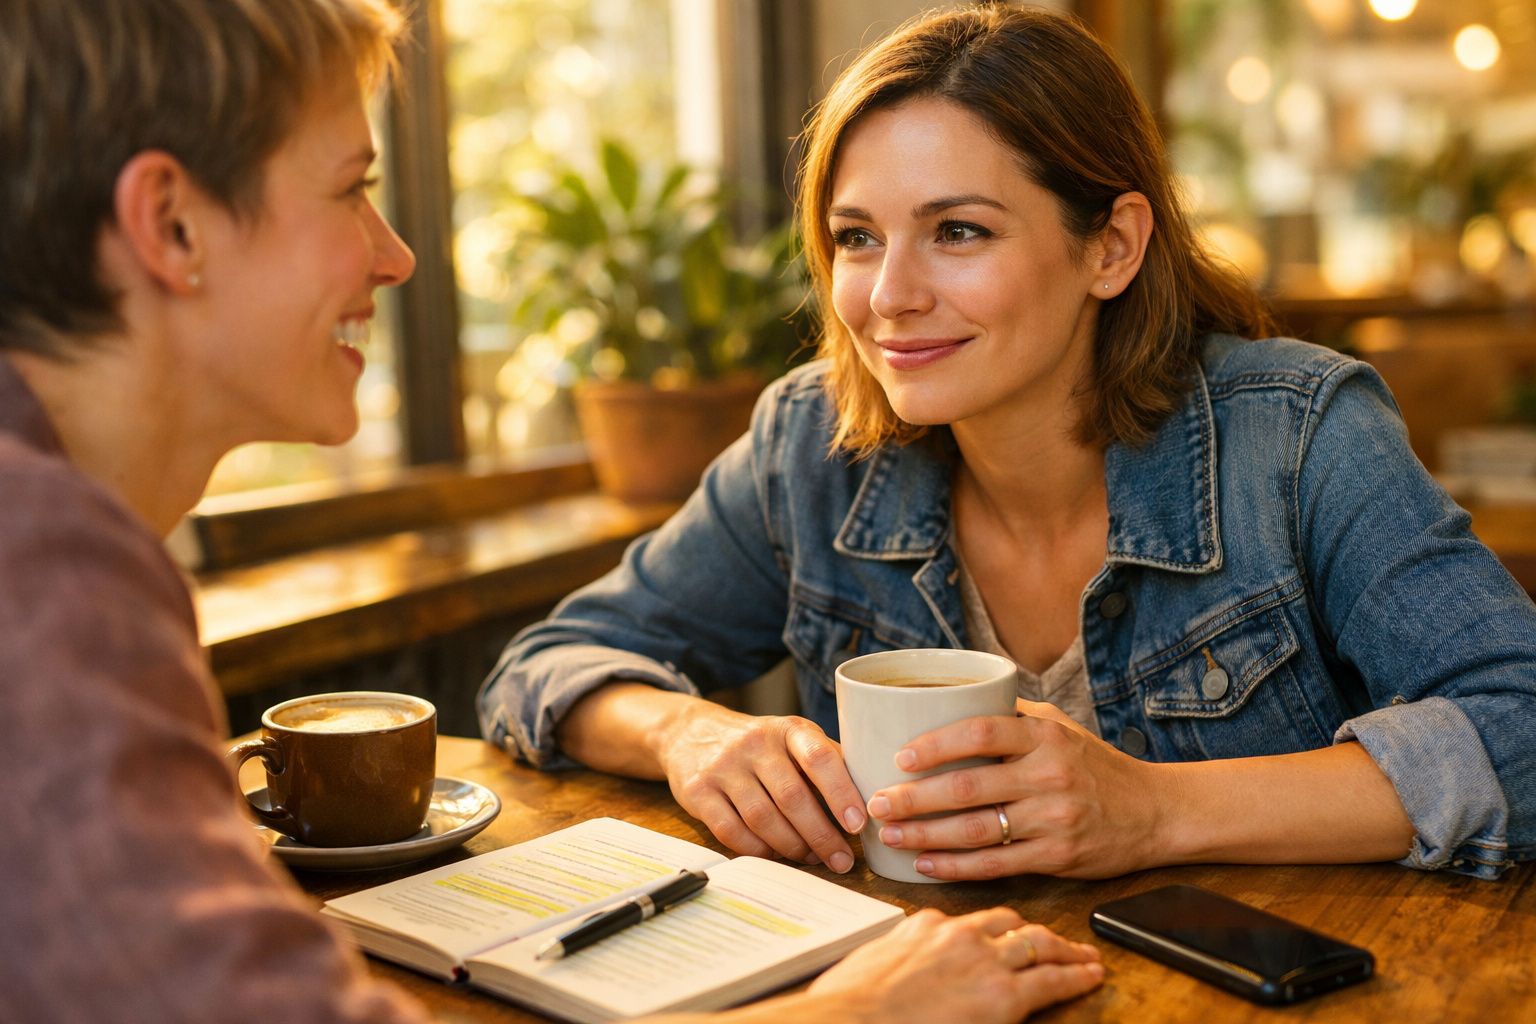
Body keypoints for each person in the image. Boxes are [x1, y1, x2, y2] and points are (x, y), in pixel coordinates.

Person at [0, 1, 1100, 1021]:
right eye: (350, 188)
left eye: (959, 230)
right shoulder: (41, 575)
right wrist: (857, 1012)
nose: (397, 254)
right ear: (171, 225)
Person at [480, 3, 1536, 886]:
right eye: (857, 236)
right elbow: (547, 666)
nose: (889, 297)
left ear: (1111, 247)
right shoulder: (810, 441)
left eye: (959, 231)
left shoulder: (1300, 436)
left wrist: (1157, 812)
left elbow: (1522, 726)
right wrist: (687, 734)